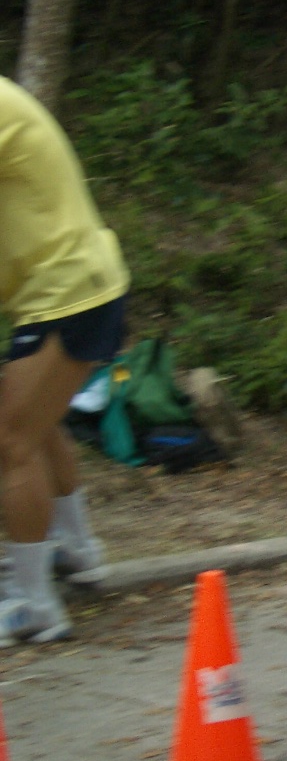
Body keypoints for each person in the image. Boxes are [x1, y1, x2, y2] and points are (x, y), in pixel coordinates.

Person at [0, 76, 129, 644]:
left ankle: (34, 605)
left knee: (11, 442)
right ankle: (77, 551)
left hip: (67, 290)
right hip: (72, 285)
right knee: (35, 423)